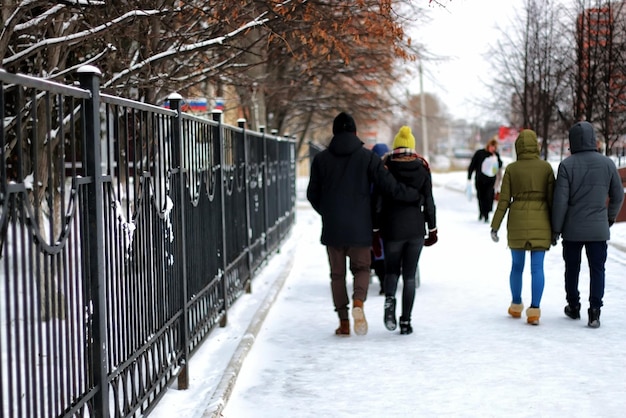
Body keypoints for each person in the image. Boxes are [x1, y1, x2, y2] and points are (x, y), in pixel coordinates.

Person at [307, 112, 421, 337]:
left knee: (337, 275)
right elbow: (387, 185)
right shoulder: (367, 158)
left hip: (333, 229)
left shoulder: (321, 160)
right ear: (355, 132)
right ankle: (358, 302)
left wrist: (328, 212)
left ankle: (343, 322)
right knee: (361, 269)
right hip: (361, 227)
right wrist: (411, 194)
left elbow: (313, 194)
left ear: (334, 132)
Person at [551, 121, 624, 328]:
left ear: (572, 141)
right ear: (593, 139)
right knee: (597, 269)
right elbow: (618, 196)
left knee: (572, 268)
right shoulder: (608, 164)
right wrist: (609, 218)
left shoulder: (566, 165)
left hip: (572, 229)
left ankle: (573, 306)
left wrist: (556, 229)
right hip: (598, 228)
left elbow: (560, 201)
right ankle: (595, 312)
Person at [373, 126, 437, 335]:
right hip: (415, 229)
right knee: (409, 276)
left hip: (392, 228)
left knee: (392, 271)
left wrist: (375, 228)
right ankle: (406, 322)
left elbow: (378, 202)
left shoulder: (386, 167)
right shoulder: (422, 168)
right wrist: (432, 228)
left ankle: (389, 303)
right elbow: (429, 200)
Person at [489, 130, 555, 325]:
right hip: (542, 221)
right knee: (537, 268)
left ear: (518, 147)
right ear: (536, 146)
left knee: (517, 266)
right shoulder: (546, 168)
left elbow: (503, 200)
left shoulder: (511, 169)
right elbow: (553, 201)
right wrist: (556, 227)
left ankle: (516, 305)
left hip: (517, 220)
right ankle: (534, 311)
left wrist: (495, 226)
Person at [467, 138, 503, 223]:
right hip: (480, 179)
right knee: (480, 197)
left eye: (494, 147)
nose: (493, 149)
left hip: (490, 181)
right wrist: (469, 176)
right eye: (492, 147)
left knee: (488, 197)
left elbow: (500, 165)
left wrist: (496, 159)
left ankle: (486, 215)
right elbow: (472, 165)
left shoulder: (495, 155)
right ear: (488, 146)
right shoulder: (480, 153)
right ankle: (481, 212)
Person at [370, 143, 390, 295]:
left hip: (374, 219)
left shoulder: (369, 172)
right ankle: (388, 282)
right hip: (390, 219)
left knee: (378, 251)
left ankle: (384, 282)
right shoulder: (392, 170)